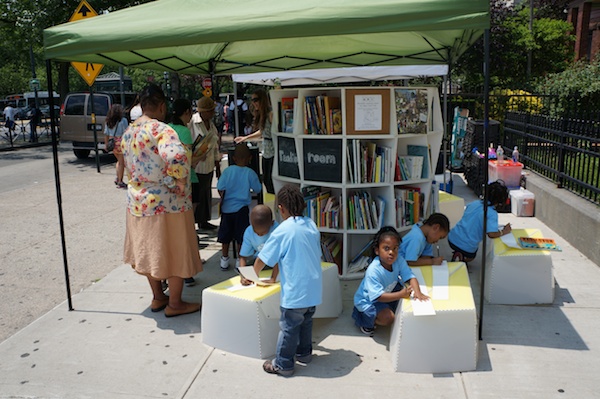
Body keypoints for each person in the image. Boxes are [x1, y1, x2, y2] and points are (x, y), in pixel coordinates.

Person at [121, 83, 202, 318]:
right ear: (162, 105)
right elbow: (176, 156)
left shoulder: (129, 132)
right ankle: (175, 303)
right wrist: (178, 181)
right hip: (168, 201)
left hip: (138, 201)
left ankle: (158, 297)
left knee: (151, 250)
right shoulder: (161, 130)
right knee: (175, 250)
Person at [253, 184, 322, 377]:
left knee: (289, 328)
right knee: (306, 322)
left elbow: (263, 259)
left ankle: (283, 364)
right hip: (313, 289)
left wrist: (249, 275)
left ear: (281, 208)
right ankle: (304, 353)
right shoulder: (311, 225)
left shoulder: (282, 231)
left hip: (295, 291)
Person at [352, 226, 428, 337]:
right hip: (370, 300)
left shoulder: (399, 260)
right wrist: (401, 295)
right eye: (386, 248)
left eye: (395, 248)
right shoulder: (373, 270)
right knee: (389, 318)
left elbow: (410, 276)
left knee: (404, 305)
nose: (391, 252)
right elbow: (378, 297)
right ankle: (363, 318)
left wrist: (418, 292)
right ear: (377, 250)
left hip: (387, 290)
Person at [168, 98, 200, 288]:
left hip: (169, 189)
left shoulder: (165, 129)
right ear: (187, 112)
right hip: (187, 185)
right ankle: (186, 272)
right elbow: (188, 161)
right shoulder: (184, 132)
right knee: (187, 230)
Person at [216, 144, 262, 271]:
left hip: (226, 209)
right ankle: (239, 260)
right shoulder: (250, 173)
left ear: (234, 158)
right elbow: (258, 189)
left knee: (225, 236)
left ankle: (224, 259)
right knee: (241, 236)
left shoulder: (228, 171)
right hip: (241, 208)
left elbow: (220, 187)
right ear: (250, 158)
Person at [448, 180, 512, 263]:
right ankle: (462, 258)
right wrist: (503, 232)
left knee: (463, 244)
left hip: (452, 237)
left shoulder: (474, 203)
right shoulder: (492, 213)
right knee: (471, 257)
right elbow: (491, 234)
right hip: (467, 247)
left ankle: (458, 253)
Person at [188, 96, 222, 231]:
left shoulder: (211, 124)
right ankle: (195, 222)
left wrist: (217, 164)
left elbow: (214, 146)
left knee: (206, 193)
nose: (212, 114)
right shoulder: (192, 123)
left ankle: (204, 220)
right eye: (210, 111)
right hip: (197, 165)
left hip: (208, 164)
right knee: (198, 194)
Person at [234, 88, 275, 195]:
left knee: (271, 181)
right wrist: (245, 138)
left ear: (263, 100)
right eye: (252, 100)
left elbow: (274, 132)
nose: (253, 103)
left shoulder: (270, 114)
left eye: (256, 100)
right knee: (266, 180)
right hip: (266, 151)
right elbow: (262, 132)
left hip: (273, 152)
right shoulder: (262, 114)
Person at [238, 204, 279, 285]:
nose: (260, 235)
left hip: (276, 261)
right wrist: (243, 276)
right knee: (247, 267)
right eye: (256, 233)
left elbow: (279, 257)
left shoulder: (277, 230)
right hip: (258, 260)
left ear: (272, 223)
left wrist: (273, 278)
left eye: (263, 233)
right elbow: (243, 257)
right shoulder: (249, 232)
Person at [104, 104, 129, 189]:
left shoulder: (108, 121)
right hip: (120, 142)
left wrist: (106, 144)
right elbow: (127, 132)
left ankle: (117, 177)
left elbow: (106, 134)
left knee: (118, 161)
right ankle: (120, 181)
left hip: (112, 142)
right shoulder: (123, 121)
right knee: (122, 162)